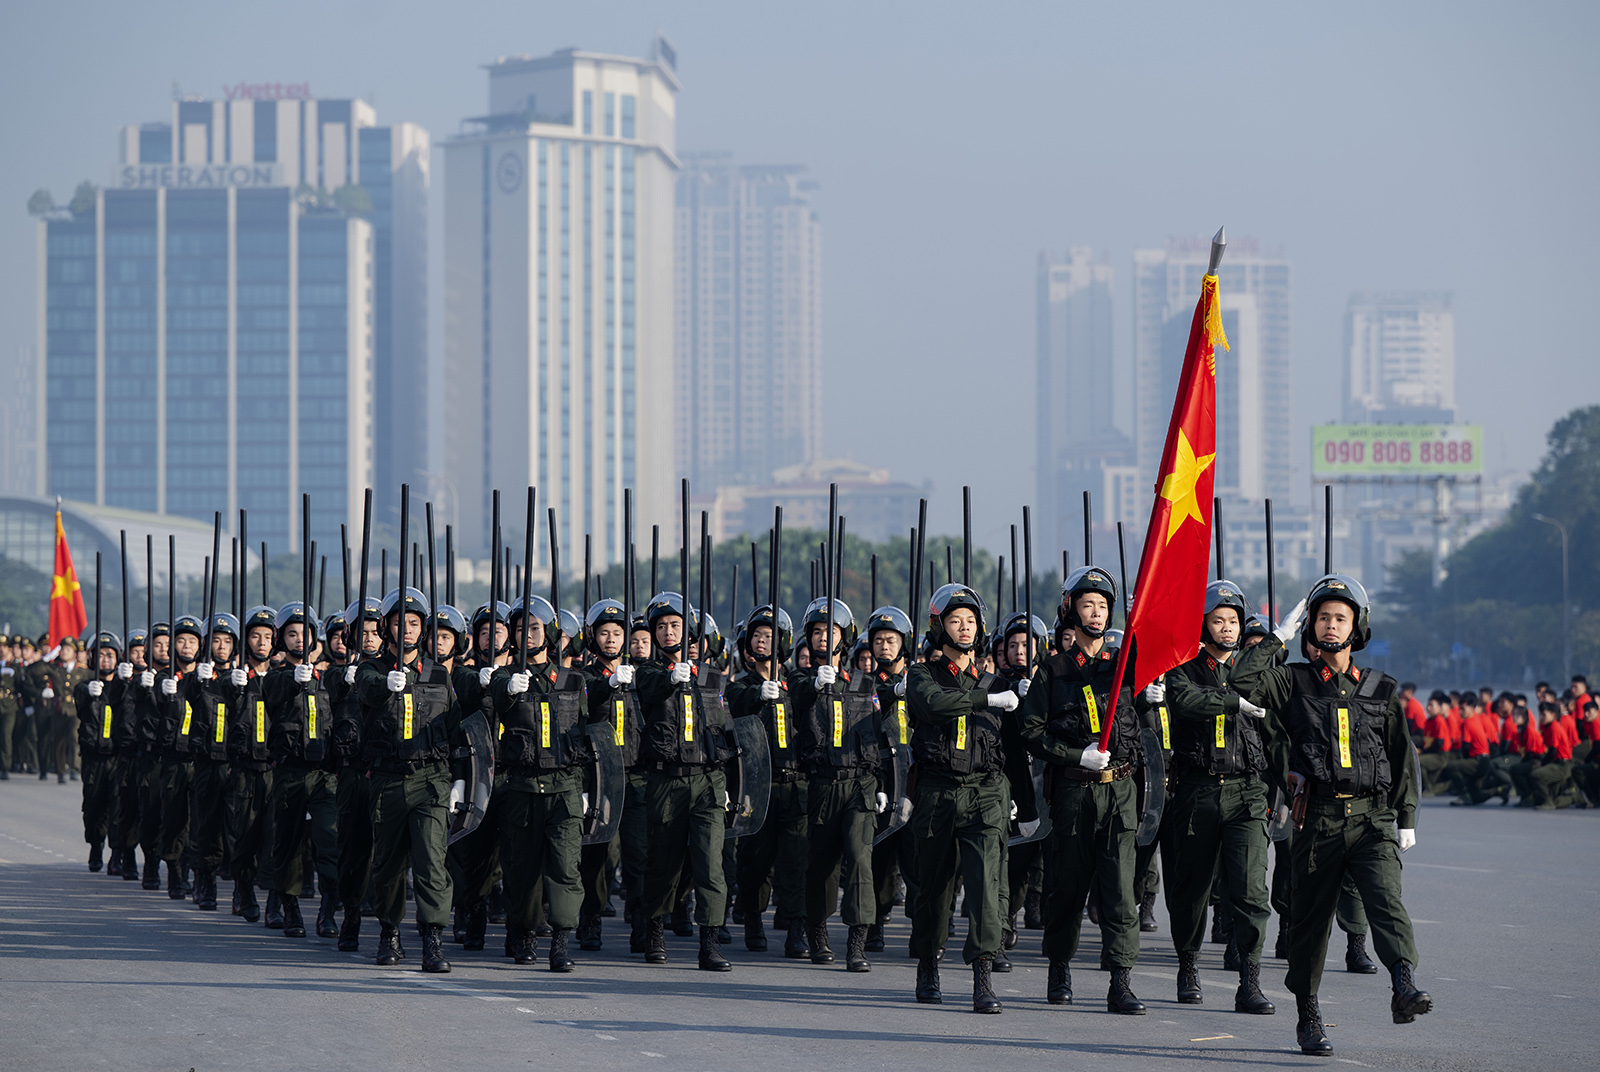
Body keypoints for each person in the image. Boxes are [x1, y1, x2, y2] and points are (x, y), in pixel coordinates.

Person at [1243, 574, 1430, 1056]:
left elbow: (1400, 756)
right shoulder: (1291, 680)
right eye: (1322, 617)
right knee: (1310, 923)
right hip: (1318, 819)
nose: (1330, 626)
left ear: (1357, 628)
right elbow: (1242, 683)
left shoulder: (1380, 688)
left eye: (1339, 618)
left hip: (1371, 819)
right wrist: (1275, 640)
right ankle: (1308, 1015)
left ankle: (1403, 985)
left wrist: (1405, 816)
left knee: (1386, 901)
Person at [1018, 567, 1148, 1014]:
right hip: (1075, 792)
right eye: (1087, 604)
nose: (1096, 613)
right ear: (1070, 610)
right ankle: (1059, 968)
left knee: (1119, 888)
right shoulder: (1051, 672)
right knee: (1067, 889)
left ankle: (1121, 980)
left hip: (1121, 792)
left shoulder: (1124, 667)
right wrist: (1075, 757)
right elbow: (1030, 732)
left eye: (1104, 606)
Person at [1157, 580, 1287, 1014]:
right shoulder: (1183, 668)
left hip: (1247, 791)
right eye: (1219, 620)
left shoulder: (1253, 673)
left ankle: (1249, 981)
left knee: (1251, 890)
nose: (1228, 629)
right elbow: (1187, 702)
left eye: (1233, 621)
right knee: (1191, 888)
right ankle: (1188, 964)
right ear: (1203, 625)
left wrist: (1291, 784)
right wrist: (1233, 702)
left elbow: (1276, 735)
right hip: (1197, 789)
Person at [905, 583, 1011, 1013]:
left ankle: (982, 978)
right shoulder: (921, 676)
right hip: (937, 791)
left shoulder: (996, 681)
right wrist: (987, 697)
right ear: (939, 626)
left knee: (985, 887)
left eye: (970, 621)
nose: (964, 629)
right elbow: (934, 704)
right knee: (934, 888)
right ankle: (928, 964)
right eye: (955, 621)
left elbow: (1017, 746)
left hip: (985, 792)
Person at [351, 586, 466, 972]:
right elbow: (364, 689)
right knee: (389, 864)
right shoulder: (371, 669)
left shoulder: (438, 673)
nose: (407, 631)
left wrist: (460, 781)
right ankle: (389, 932)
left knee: (432, 862)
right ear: (386, 627)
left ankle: (433, 940)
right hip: (388, 779)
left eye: (415, 624)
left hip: (431, 779)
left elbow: (455, 730)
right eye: (400, 623)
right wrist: (385, 685)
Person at [787, 596, 890, 972]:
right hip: (822, 783)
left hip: (860, 783)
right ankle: (817, 932)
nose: (822, 639)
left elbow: (879, 732)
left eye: (829, 631)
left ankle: (857, 942)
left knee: (861, 860)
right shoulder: (799, 679)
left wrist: (881, 783)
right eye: (815, 632)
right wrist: (815, 683)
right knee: (823, 864)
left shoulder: (864, 683)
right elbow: (797, 698)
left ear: (843, 637)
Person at [636, 592, 738, 972]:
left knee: (710, 865)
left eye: (675, 625)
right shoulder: (646, 671)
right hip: (667, 781)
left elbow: (725, 727)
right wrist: (669, 677)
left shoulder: (710, 676)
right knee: (664, 865)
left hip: (707, 781)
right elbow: (650, 689)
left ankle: (709, 943)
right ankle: (655, 929)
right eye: (660, 627)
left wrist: (730, 783)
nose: (667, 632)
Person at [489, 595, 590, 972]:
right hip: (523, 788)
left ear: (549, 632)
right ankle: (524, 931)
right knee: (522, 870)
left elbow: (589, 730)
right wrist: (511, 686)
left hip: (564, 787)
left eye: (534, 627)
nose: (527, 635)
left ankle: (561, 941)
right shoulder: (505, 677)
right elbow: (496, 697)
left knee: (565, 867)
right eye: (519, 629)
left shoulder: (571, 680)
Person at [726, 604, 809, 957]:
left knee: (796, 860)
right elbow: (735, 702)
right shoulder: (741, 686)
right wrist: (759, 694)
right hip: (759, 783)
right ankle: (753, 918)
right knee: (756, 860)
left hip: (795, 782)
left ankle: (796, 928)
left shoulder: (798, 683)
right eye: (757, 636)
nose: (763, 642)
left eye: (770, 636)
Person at [264, 603, 338, 940]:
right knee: (288, 843)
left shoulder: (328, 678)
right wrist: (293, 679)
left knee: (330, 839)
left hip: (325, 773)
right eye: (291, 634)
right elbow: (269, 692)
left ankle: (328, 909)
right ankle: (290, 907)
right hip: (290, 770)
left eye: (304, 633)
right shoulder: (277, 677)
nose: (298, 640)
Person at [183, 612, 242, 913]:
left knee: (235, 827)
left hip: (234, 762)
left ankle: (239, 888)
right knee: (205, 825)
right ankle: (204, 880)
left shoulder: (240, 677)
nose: (221, 647)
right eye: (216, 641)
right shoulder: (201, 678)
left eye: (227, 641)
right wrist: (197, 678)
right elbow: (185, 695)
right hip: (207, 761)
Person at [227, 605, 278, 927]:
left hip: (274, 767)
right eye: (255, 636)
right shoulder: (232, 679)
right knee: (243, 836)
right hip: (244, 769)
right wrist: (228, 687)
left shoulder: (283, 678)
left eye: (268, 636)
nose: (262, 642)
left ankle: (274, 898)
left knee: (275, 837)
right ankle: (243, 890)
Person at [74, 633, 126, 872]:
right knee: (94, 805)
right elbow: (79, 702)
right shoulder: (84, 686)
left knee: (117, 805)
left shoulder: (123, 687)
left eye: (110, 655)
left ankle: (116, 853)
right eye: (101, 655)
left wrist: (126, 685)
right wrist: (87, 692)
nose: (106, 660)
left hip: (117, 756)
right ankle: (96, 846)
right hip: (94, 756)